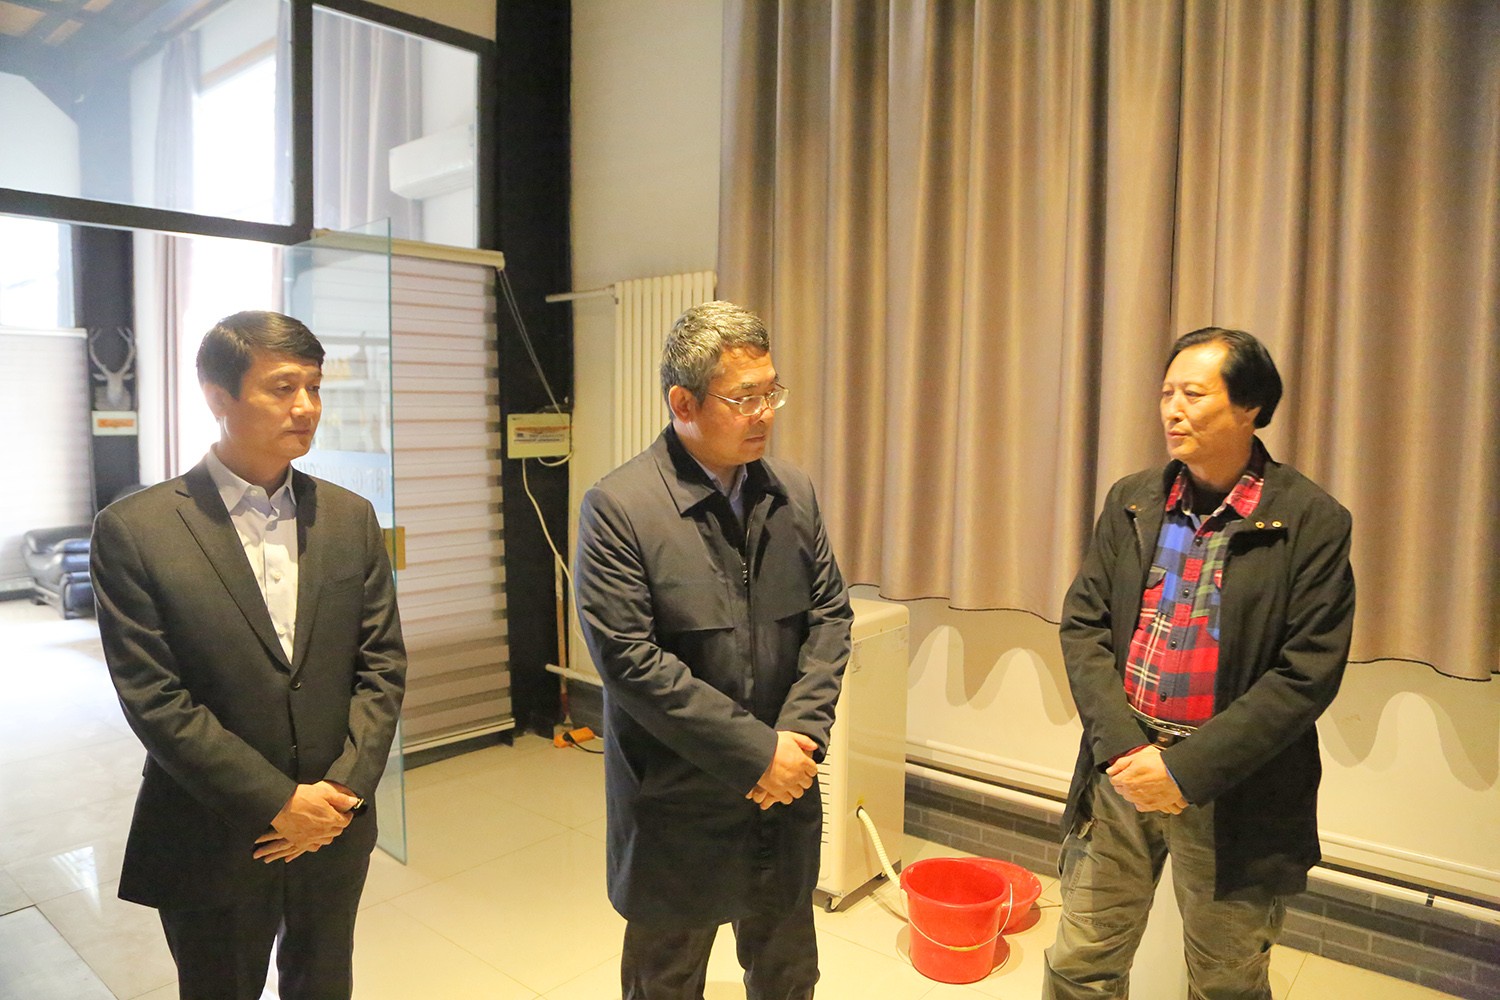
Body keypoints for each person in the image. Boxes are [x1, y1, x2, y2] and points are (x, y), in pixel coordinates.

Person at [91, 310, 407, 1000]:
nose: (307, 407)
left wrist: (343, 791)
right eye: (283, 387)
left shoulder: (350, 517)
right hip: (214, 825)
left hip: (334, 822)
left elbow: (382, 664)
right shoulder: (136, 530)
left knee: (324, 982)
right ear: (218, 396)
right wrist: (276, 801)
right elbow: (154, 697)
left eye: (315, 387)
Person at [1044, 327, 1356, 1000]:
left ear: (1250, 407)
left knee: (1226, 978)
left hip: (1232, 787)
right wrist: (1125, 749)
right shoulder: (1133, 500)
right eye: (1166, 394)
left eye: (1193, 394)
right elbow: (1084, 625)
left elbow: (1305, 674)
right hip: (1122, 770)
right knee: (1082, 957)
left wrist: (1184, 771)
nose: (1173, 410)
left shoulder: (1310, 520)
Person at [574, 300, 853, 1000]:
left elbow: (829, 616)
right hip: (678, 797)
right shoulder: (621, 507)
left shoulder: (791, 494)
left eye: (771, 393)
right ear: (683, 403)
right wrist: (758, 755)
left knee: (788, 974)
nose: (764, 413)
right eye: (743, 398)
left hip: (784, 787)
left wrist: (799, 736)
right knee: (665, 981)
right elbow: (631, 662)